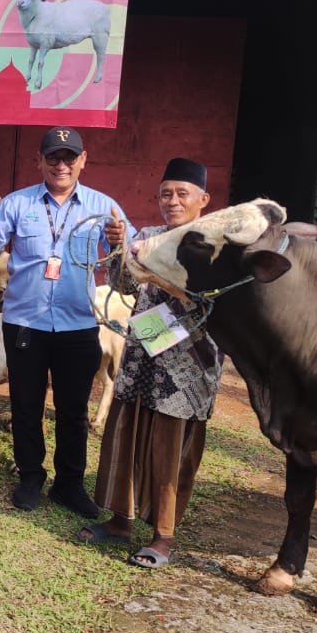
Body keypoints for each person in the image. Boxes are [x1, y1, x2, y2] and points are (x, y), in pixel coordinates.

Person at [0, 126, 126, 515]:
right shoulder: (18, 204)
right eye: (53, 157)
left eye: (69, 157)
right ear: (38, 161)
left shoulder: (104, 207)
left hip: (77, 324)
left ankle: (69, 484)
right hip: (25, 322)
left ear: (83, 160)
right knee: (26, 403)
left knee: (73, 408)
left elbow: (127, 263)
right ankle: (30, 476)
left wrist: (120, 242)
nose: (61, 165)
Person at [81, 158, 220, 566]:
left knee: (170, 447)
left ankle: (163, 534)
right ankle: (120, 520)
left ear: (203, 199)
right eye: (165, 194)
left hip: (187, 369)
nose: (171, 201)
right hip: (142, 357)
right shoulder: (149, 235)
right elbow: (124, 286)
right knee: (126, 433)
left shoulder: (213, 246)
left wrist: (156, 275)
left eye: (181, 194)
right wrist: (121, 248)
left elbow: (209, 303)